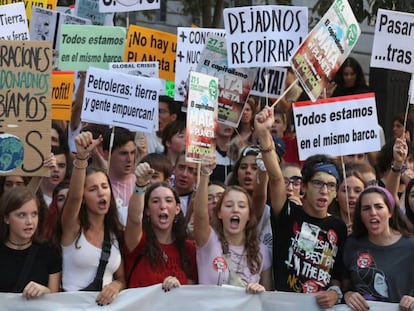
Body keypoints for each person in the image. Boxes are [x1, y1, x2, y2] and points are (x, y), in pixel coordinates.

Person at [255, 105, 347, 309]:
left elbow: (337, 274)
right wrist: (263, 134)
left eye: (331, 185)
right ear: (304, 186)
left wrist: (335, 292)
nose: (324, 191)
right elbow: (277, 178)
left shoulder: (339, 227)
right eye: (318, 183)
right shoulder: (288, 213)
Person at [61, 132, 125, 306]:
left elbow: (122, 278)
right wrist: (81, 158)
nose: (101, 192)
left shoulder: (115, 233)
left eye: (104, 187)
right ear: (83, 196)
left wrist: (115, 285)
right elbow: (73, 197)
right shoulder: (72, 228)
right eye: (93, 189)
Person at [193, 159, 272, 293]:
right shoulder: (208, 241)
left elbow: (268, 298)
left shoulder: (261, 252)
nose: (235, 210)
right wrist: (205, 174)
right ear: (219, 213)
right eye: (229, 205)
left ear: (248, 215)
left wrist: (260, 290)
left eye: (241, 206)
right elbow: (200, 215)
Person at [123, 163, 197, 290]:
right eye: (155, 201)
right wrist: (140, 184)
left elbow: (194, 291)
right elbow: (134, 219)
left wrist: (179, 289)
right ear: (146, 210)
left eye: (168, 201)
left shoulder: (188, 249)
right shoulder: (138, 241)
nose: (163, 206)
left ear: (177, 208)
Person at [343, 186, 414, 310]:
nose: (373, 213)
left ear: (390, 211)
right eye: (366, 208)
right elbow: (340, 283)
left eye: (379, 207)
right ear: (360, 215)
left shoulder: (410, 246)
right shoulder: (351, 244)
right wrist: (347, 295)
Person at [0, 187, 61, 298]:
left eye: (34, 214)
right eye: (22, 215)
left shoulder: (49, 251)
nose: (30, 221)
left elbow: (55, 300)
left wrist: (46, 292)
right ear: (6, 218)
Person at [102, 127, 136, 226]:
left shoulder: (141, 184)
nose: (129, 159)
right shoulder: (99, 185)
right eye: (123, 153)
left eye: (132, 153)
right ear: (106, 154)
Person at [329, 165, 366, 235]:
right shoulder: (327, 225)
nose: (351, 195)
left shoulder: (370, 227)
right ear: (336, 195)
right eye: (345, 190)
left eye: (357, 191)